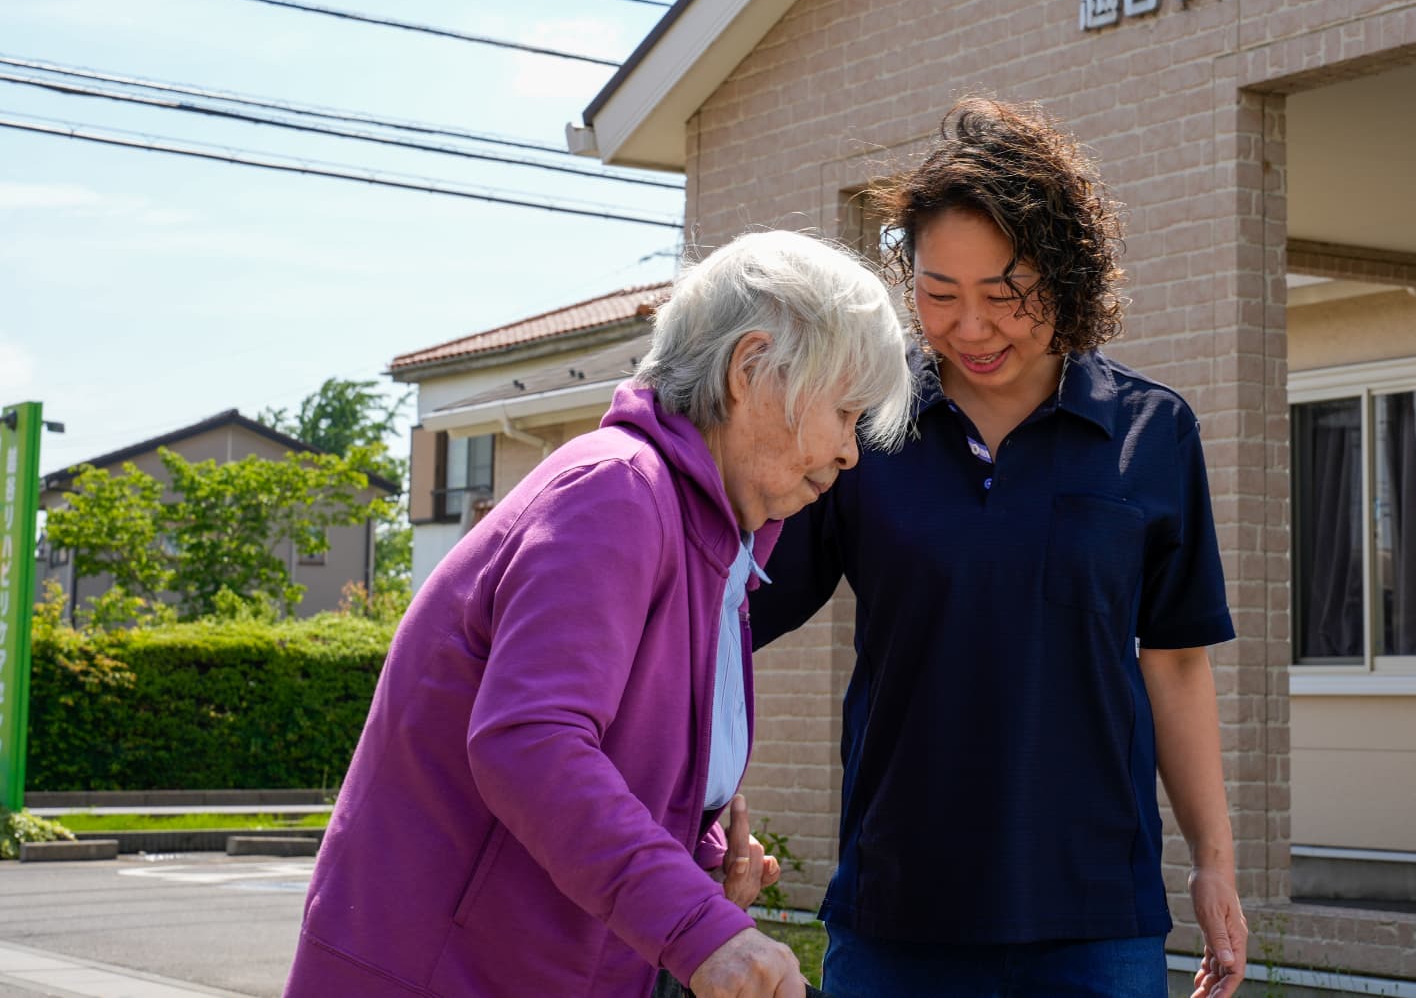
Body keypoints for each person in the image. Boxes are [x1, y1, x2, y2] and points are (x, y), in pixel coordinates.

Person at [284, 231, 912, 998]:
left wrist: (706, 852)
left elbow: (618, 763)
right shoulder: (614, 491)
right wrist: (695, 927)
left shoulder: (714, 541)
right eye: (846, 413)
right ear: (751, 371)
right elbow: (530, 742)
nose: (851, 452)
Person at [752, 100, 1248, 998]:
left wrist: (1213, 860)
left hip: (1096, 916)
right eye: (940, 294)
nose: (970, 327)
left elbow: (1174, 661)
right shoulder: (862, 425)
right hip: (897, 910)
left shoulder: (1152, 432)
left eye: (1004, 294)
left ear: (1067, 276)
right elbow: (730, 614)